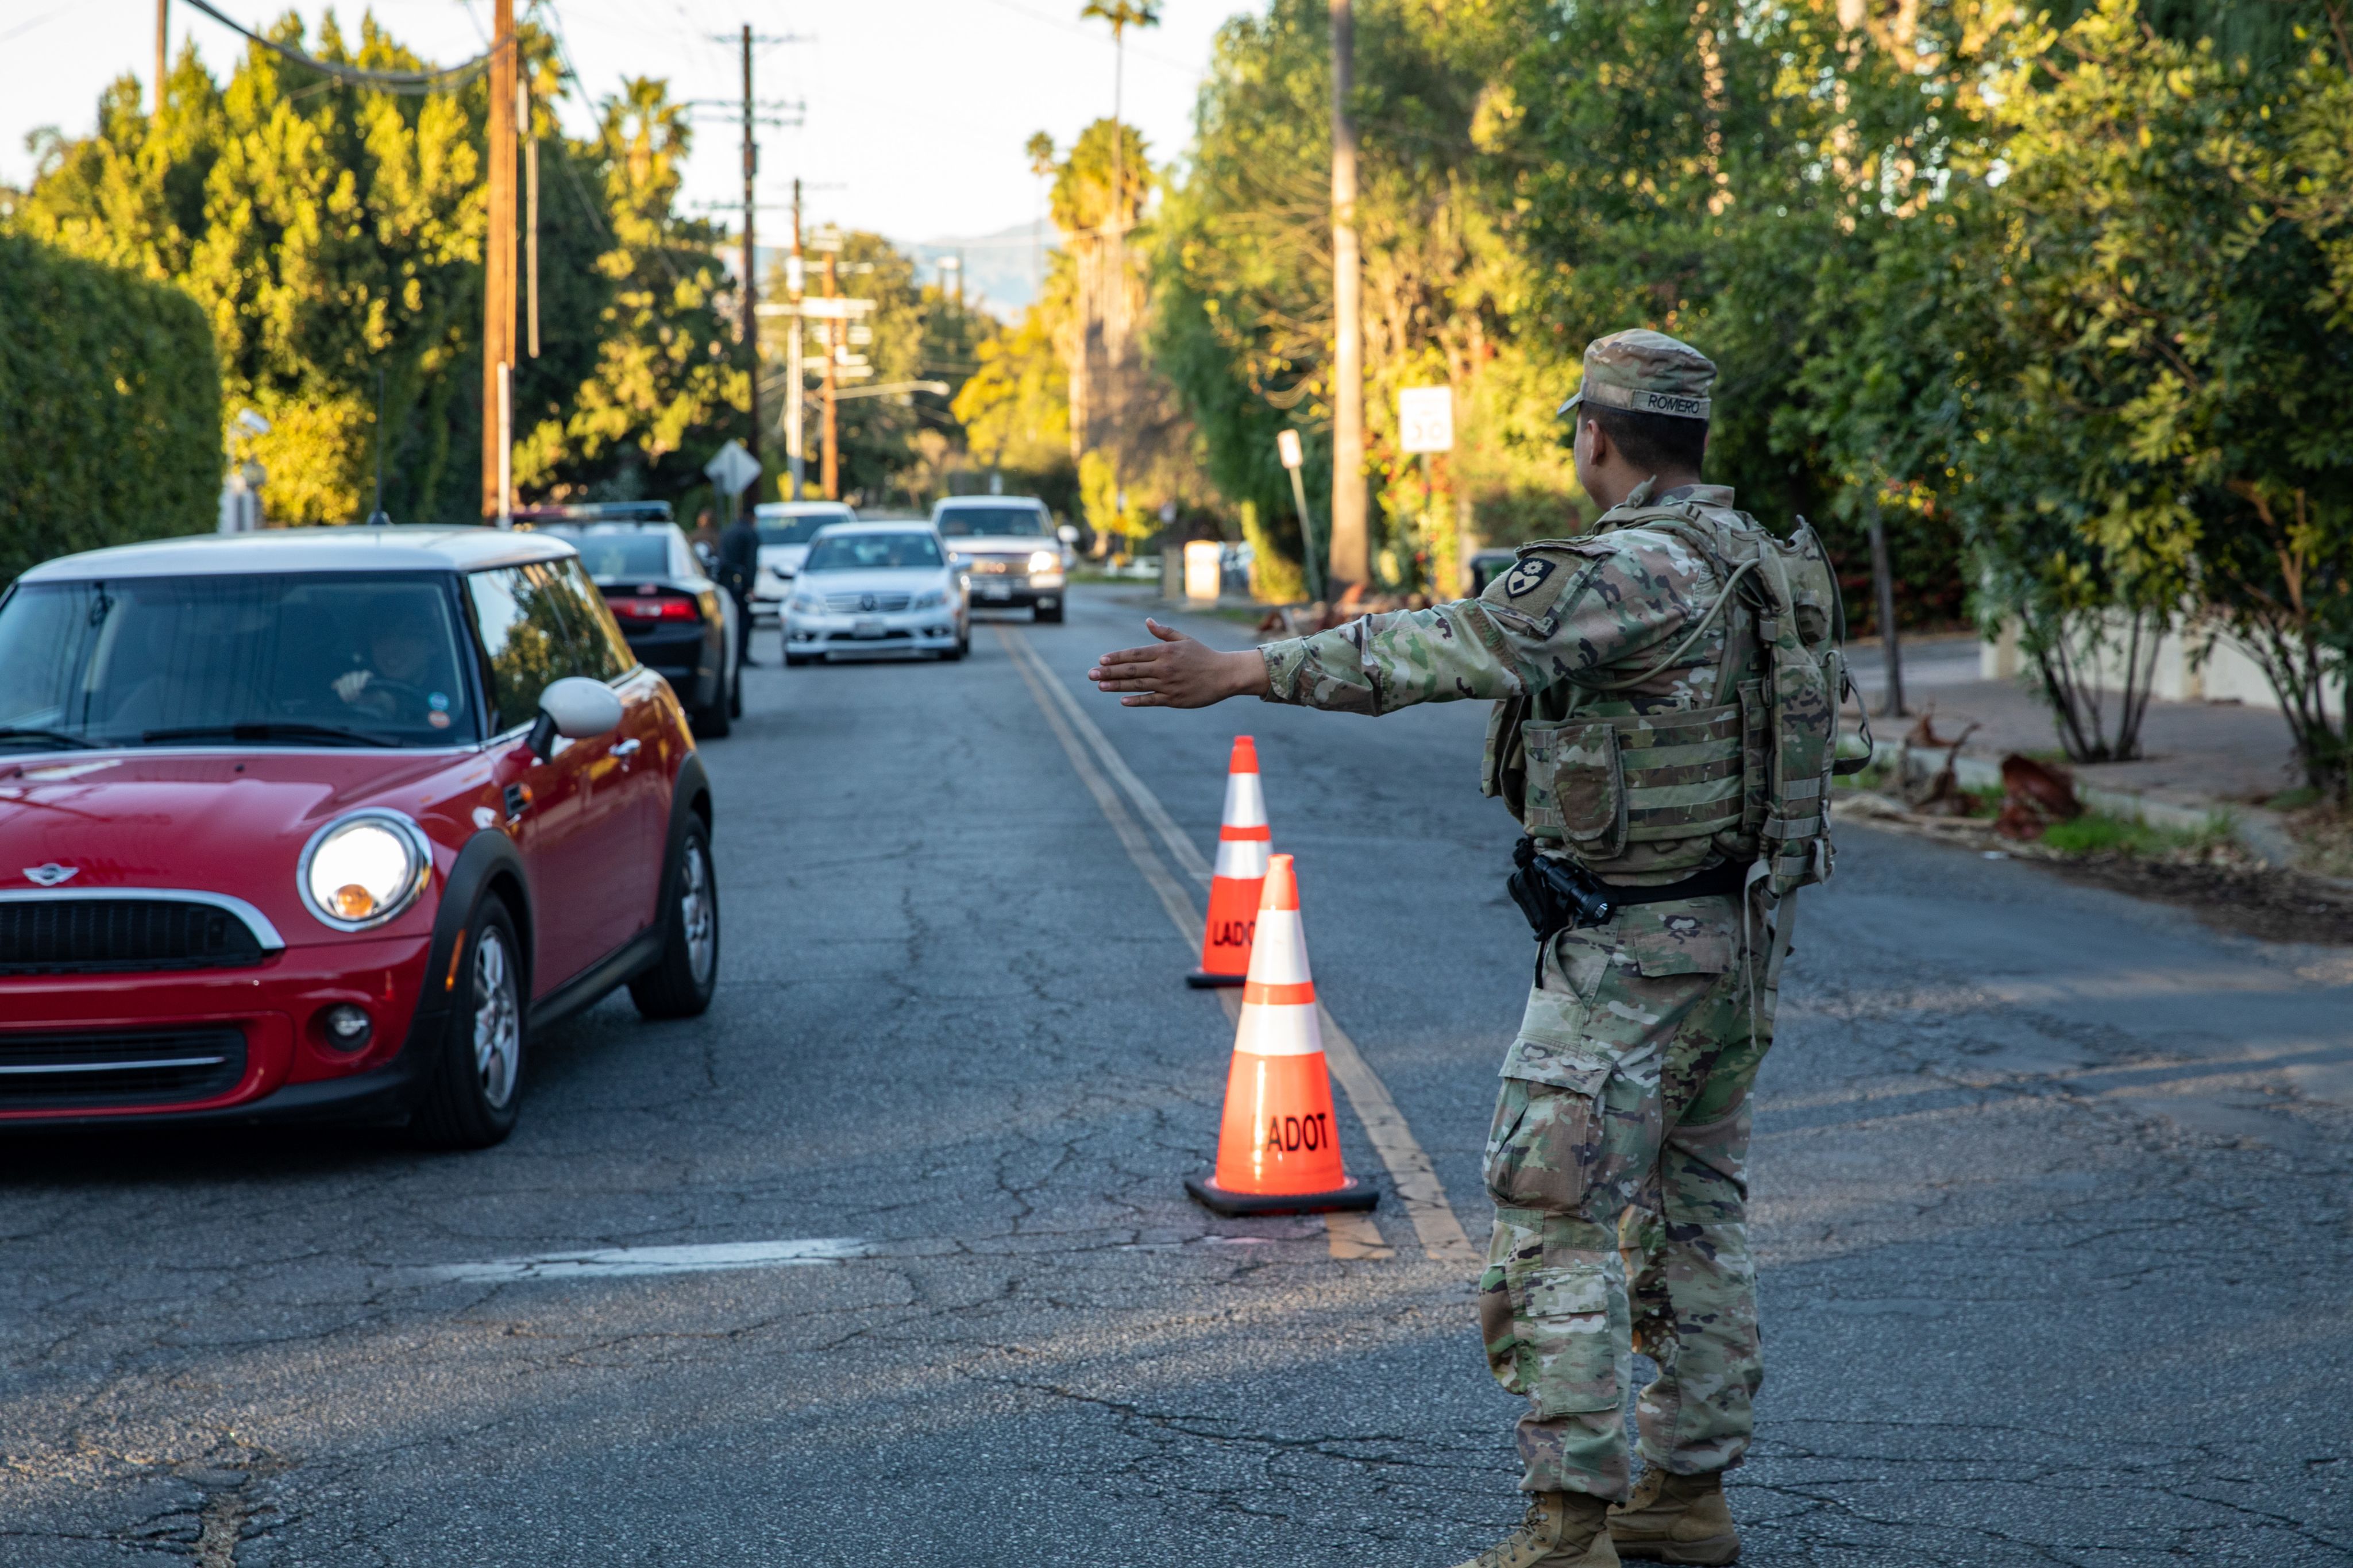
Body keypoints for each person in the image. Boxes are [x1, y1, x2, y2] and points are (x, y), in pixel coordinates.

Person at [1090, 330, 1825, 1568]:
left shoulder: (1630, 570)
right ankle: (1686, 1501)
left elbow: (1449, 646)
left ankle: (1570, 1525)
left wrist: (1247, 668)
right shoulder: (1759, 562)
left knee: (1552, 1216)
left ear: (1593, 435)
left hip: (1628, 956)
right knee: (1693, 1215)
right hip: (1734, 943)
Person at [716, 505, 762, 667]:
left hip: (726, 582)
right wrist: (751, 585)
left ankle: (733, 655)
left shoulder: (729, 531)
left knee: (731, 619)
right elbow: (751, 561)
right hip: (740, 583)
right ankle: (742, 654)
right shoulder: (750, 534)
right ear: (752, 518)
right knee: (744, 620)